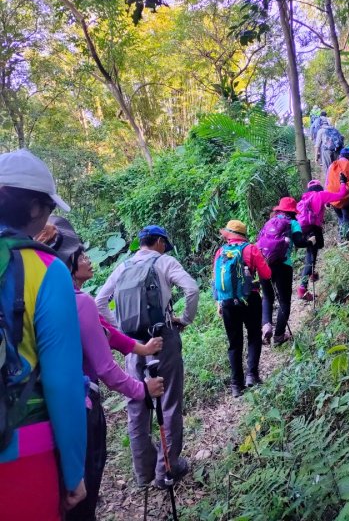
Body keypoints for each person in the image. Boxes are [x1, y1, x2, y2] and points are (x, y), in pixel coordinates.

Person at [37, 217, 165, 521]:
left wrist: (141, 348)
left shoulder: (40, 296)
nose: (87, 259)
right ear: (67, 260)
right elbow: (106, 369)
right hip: (81, 410)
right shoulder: (78, 302)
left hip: (41, 414)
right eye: (81, 255)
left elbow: (106, 331)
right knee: (83, 499)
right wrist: (141, 389)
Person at [0, 149, 87, 521]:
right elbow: (62, 382)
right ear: (35, 208)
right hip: (21, 448)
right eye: (50, 207)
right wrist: (74, 474)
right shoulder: (45, 269)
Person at [96, 225, 199, 490]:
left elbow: (99, 301)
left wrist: (121, 332)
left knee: (137, 404)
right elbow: (191, 289)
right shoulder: (165, 261)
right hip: (162, 338)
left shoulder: (123, 266)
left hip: (133, 344)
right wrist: (184, 319)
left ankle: (143, 472)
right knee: (169, 401)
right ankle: (168, 468)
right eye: (165, 243)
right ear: (159, 242)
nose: (165, 247)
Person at [213, 220, 271, 398]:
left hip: (227, 302)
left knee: (234, 343)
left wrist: (218, 302)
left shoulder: (220, 252)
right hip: (250, 298)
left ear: (229, 235)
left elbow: (215, 279)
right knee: (254, 336)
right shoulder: (250, 249)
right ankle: (252, 375)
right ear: (243, 235)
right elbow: (267, 274)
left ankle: (236, 385)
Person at [259, 197, 316, 346]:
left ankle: (266, 325)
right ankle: (278, 336)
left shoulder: (268, 223)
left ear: (279, 209)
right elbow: (299, 242)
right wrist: (310, 241)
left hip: (264, 263)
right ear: (292, 211)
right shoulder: (293, 223)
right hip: (283, 265)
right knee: (284, 301)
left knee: (267, 297)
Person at [296, 177, 349, 301]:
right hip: (313, 229)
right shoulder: (321, 195)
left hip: (302, 230)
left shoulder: (304, 199)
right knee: (311, 258)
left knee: (311, 252)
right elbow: (341, 194)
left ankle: (312, 274)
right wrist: (342, 183)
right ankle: (302, 288)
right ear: (319, 188)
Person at [326, 148, 349, 242]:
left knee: (340, 217)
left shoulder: (332, 165)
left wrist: (327, 199)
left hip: (333, 197)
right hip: (346, 197)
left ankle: (341, 238)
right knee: (347, 218)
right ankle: (346, 239)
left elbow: (327, 182)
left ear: (340, 155)